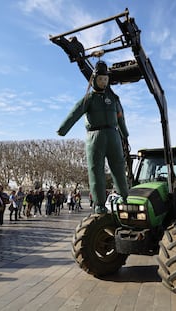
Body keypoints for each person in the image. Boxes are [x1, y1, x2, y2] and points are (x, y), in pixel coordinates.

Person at [57, 60, 129, 214]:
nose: (103, 82)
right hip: (95, 136)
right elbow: (74, 113)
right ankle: (99, 203)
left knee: (118, 166)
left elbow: (120, 117)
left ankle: (124, 195)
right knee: (96, 170)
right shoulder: (89, 98)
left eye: (105, 79)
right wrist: (63, 129)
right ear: (95, 80)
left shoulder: (114, 99)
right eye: (101, 79)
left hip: (113, 134)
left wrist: (124, 133)